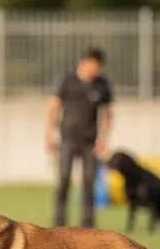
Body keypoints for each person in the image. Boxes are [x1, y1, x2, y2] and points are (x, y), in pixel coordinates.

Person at [44, 47, 115, 229]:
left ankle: (88, 226)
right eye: (94, 66)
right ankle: (58, 224)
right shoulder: (67, 80)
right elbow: (53, 107)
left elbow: (107, 114)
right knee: (63, 181)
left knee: (89, 184)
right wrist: (49, 134)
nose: (97, 70)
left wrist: (103, 139)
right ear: (83, 62)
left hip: (90, 143)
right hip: (67, 140)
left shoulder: (102, 84)